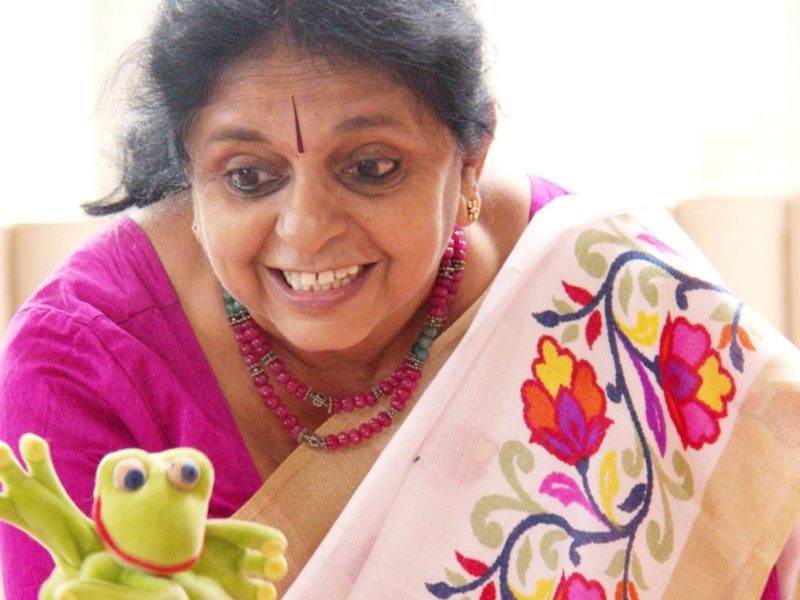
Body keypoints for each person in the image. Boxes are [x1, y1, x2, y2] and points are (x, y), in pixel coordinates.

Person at [0, 1, 797, 598]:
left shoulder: (610, 296)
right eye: (249, 176)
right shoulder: (80, 366)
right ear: (190, 170)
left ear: (471, 155)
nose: (306, 231)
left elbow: (736, 554)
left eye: (372, 168)